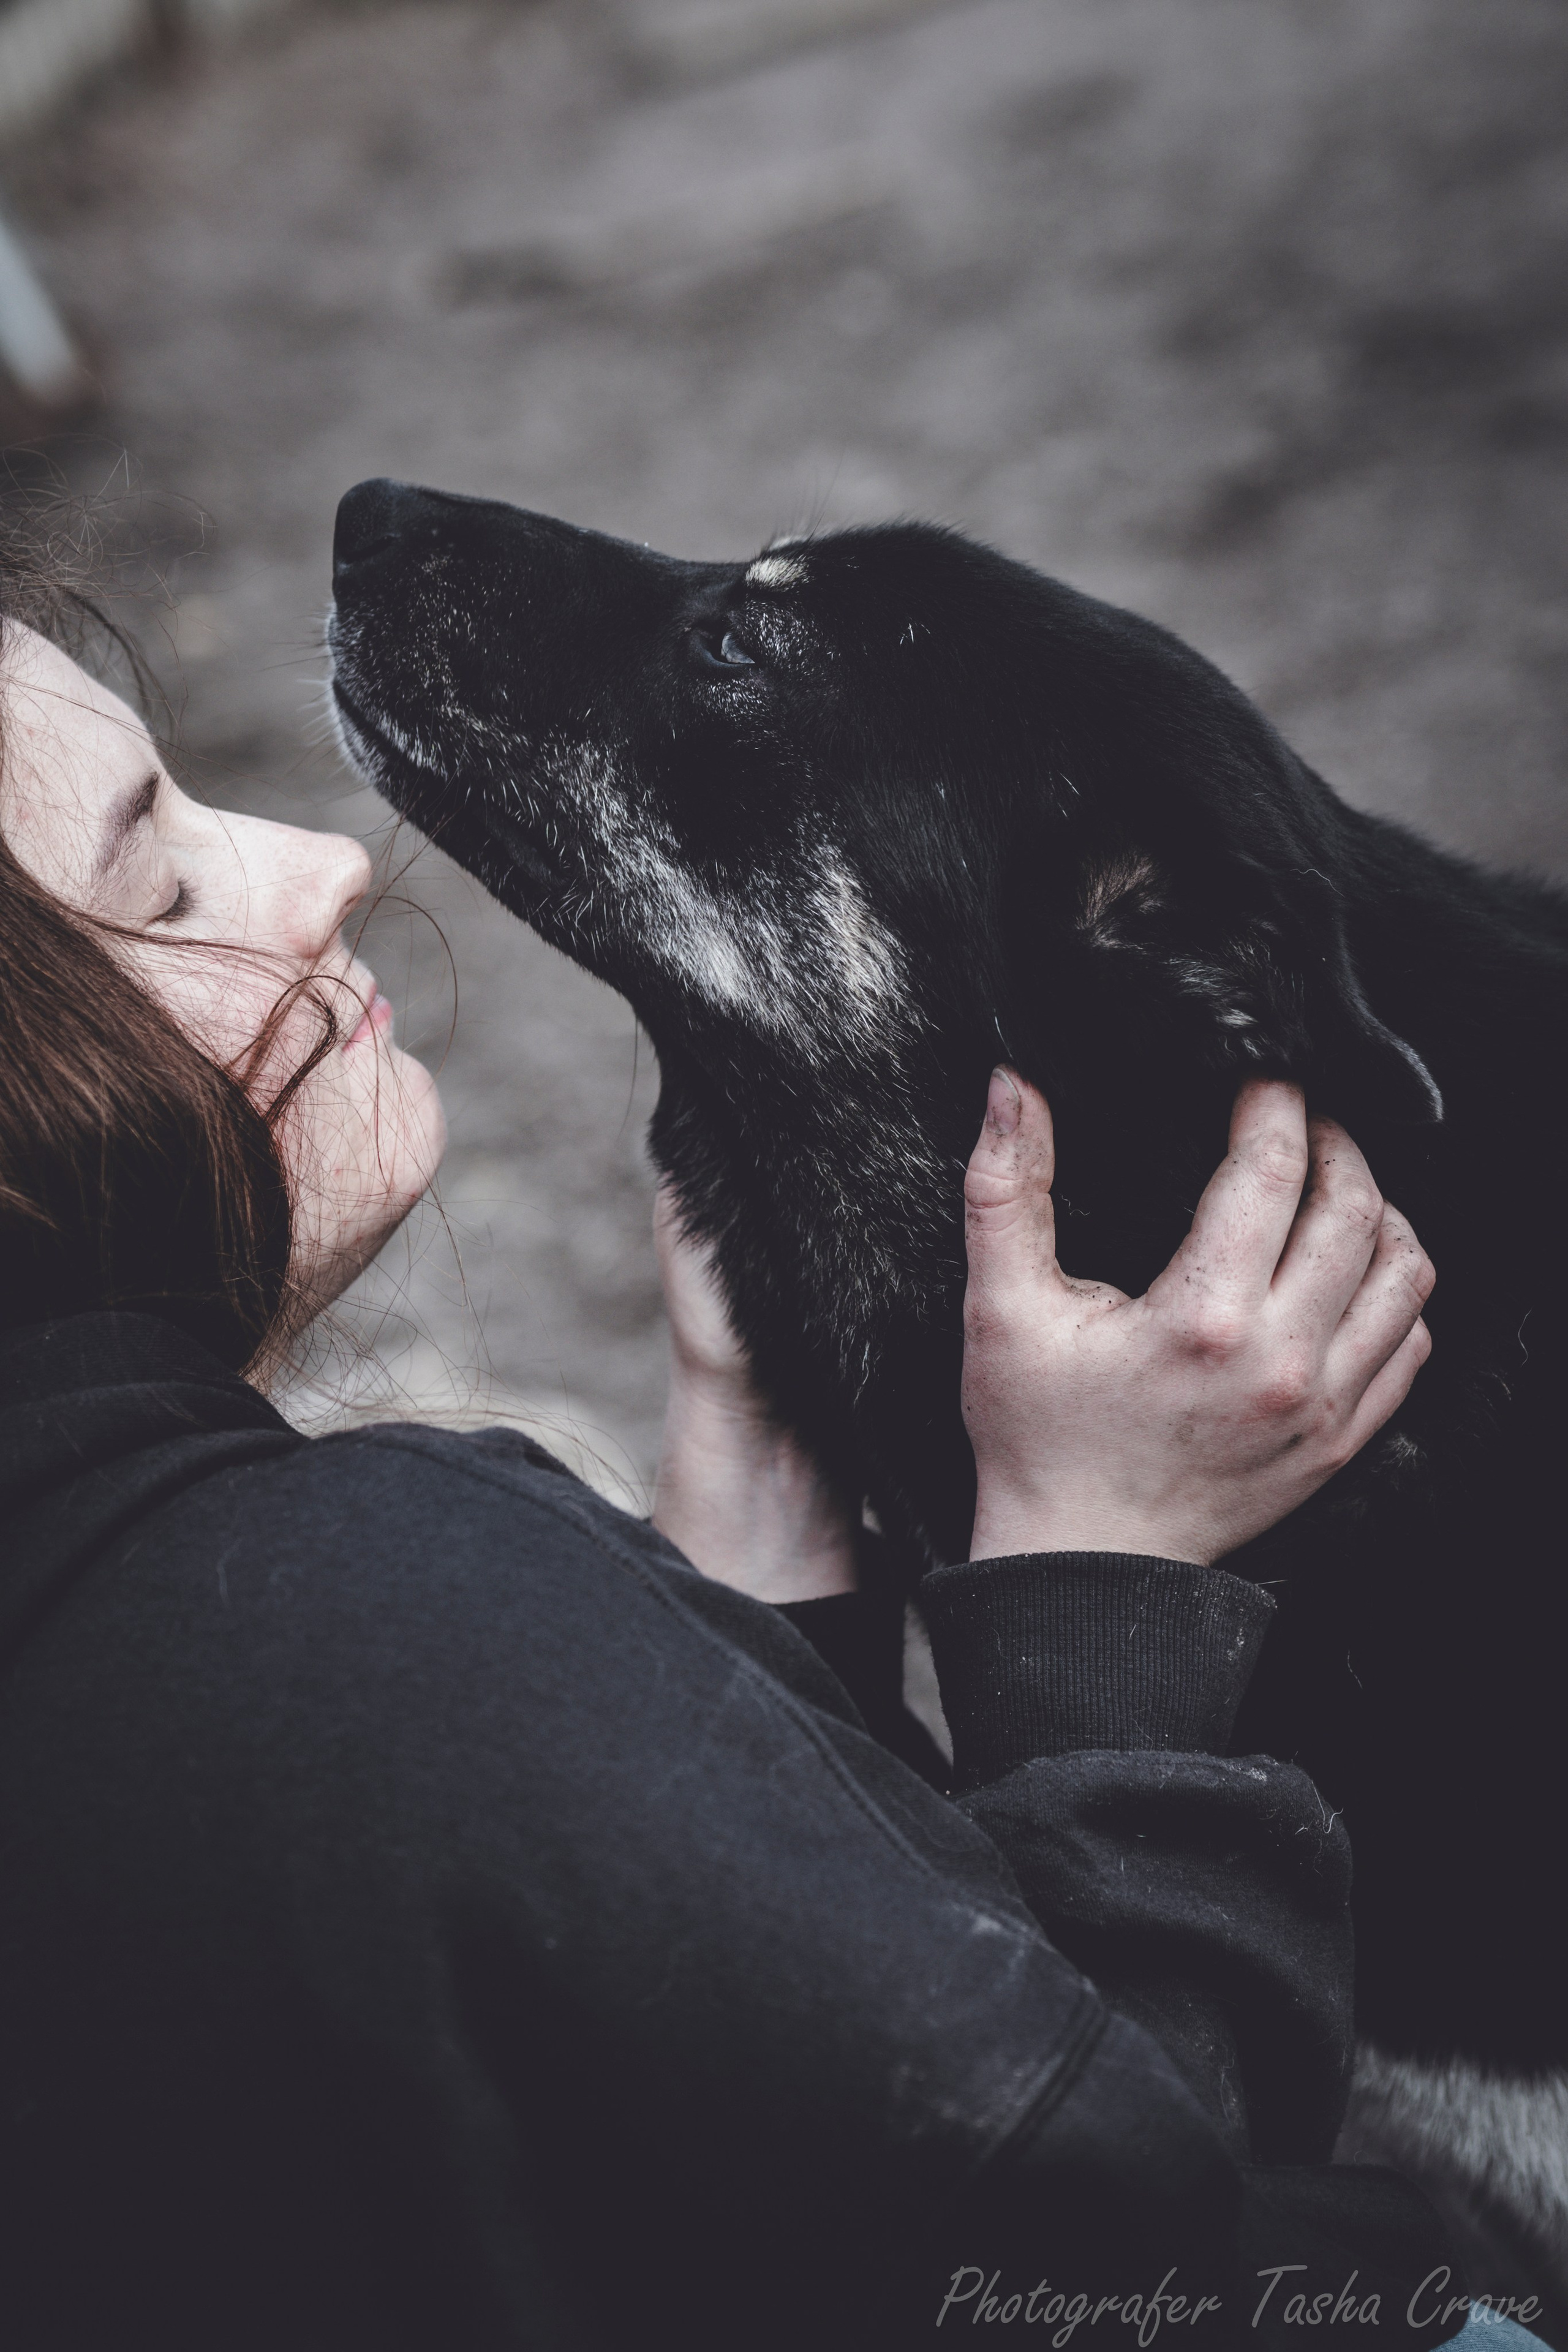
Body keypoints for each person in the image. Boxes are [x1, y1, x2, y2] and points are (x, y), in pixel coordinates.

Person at [0, 571, 1502, 2352]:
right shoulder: (366, 1627)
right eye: (161, 882)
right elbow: (1104, 2251)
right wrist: (1113, 1573)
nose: (322, 866)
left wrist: (758, 1528)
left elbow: (726, 2115)